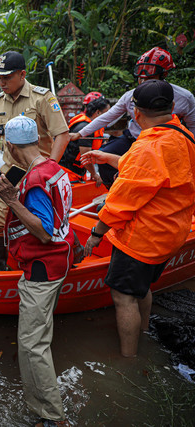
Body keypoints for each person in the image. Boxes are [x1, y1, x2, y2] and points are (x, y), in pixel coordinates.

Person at [83, 80, 195, 358]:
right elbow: (154, 172)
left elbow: (119, 204)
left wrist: (96, 234)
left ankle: (128, 360)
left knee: (123, 296)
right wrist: (109, 158)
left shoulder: (147, 148)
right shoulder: (182, 135)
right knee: (141, 287)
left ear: (136, 114)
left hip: (143, 239)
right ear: (171, 107)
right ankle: (144, 332)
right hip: (172, 233)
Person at [0, 115, 73, 427]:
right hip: (57, 261)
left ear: (10, 146)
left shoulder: (36, 180)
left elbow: (43, 231)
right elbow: (62, 219)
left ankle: (52, 417)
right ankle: (46, 408)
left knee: (32, 345)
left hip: (42, 267)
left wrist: (12, 201)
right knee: (39, 339)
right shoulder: (53, 169)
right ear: (38, 139)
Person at [0, 51, 70, 270]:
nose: (1, 82)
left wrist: (50, 168)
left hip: (38, 175)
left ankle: (57, 260)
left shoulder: (41, 98)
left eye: (7, 77)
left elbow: (62, 134)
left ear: (22, 75)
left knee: (43, 224)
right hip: (11, 174)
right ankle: (2, 270)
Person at [69, 47, 195, 188]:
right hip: (135, 139)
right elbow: (108, 117)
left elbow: (192, 127)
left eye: (149, 78)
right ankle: (116, 189)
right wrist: (80, 133)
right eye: (141, 78)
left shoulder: (185, 98)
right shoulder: (130, 96)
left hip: (165, 144)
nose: (143, 82)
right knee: (104, 157)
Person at [59, 92, 110, 185]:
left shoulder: (95, 126)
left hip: (78, 171)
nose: (110, 116)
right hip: (68, 172)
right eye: (107, 113)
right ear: (98, 112)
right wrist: (95, 174)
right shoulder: (85, 127)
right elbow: (85, 156)